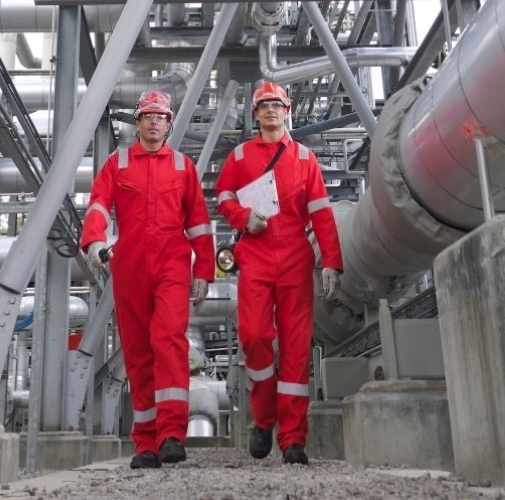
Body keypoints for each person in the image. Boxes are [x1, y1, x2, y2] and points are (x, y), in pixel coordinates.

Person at [81, 90, 215, 469]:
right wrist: (94, 241)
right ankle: (146, 442)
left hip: (172, 263)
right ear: (137, 122)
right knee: (138, 352)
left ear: (169, 124)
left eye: (161, 116)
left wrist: (203, 270)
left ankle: (172, 433)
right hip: (130, 266)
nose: (154, 121)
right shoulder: (117, 163)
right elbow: (98, 204)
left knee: (168, 340)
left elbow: (199, 223)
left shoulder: (182, 167)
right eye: (147, 115)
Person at [213, 79, 342, 466]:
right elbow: (223, 197)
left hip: (294, 257)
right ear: (255, 115)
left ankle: (292, 439)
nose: (271, 110)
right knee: (253, 335)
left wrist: (332, 261)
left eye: (277, 104)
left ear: (287, 111)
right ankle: (265, 417)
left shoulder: (304, 158)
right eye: (263, 105)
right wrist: (242, 216)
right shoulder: (239, 157)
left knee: (296, 350)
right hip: (253, 253)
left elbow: (321, 211)